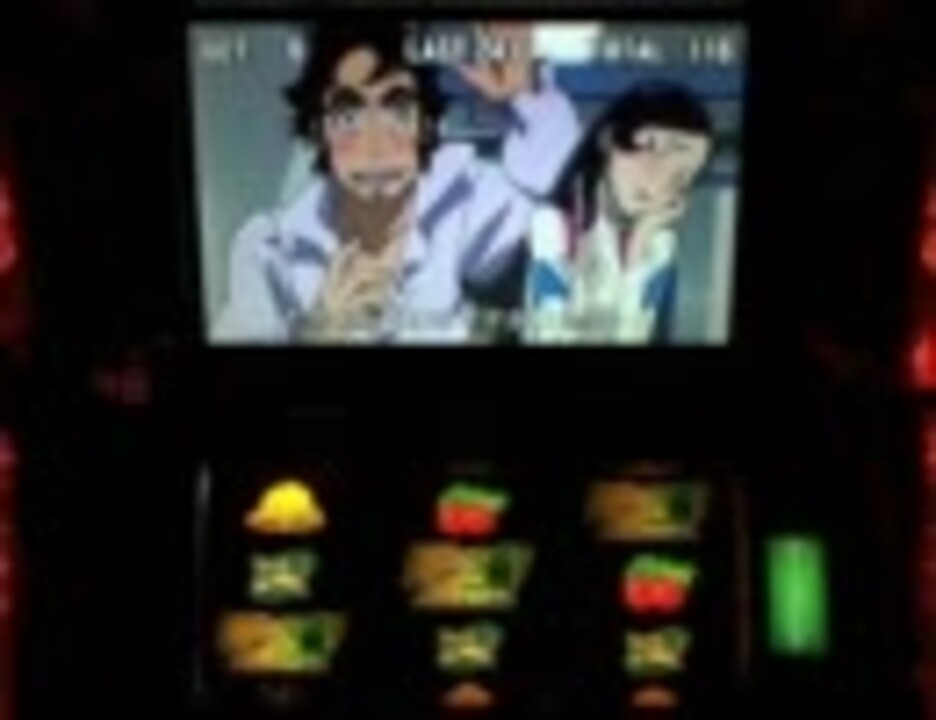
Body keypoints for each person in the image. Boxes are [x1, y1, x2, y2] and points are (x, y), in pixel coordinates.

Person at [212, 23, 581, 344]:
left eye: (398, 112)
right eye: (349, 117)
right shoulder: (268, 250)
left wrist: (528, 95)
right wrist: (320, 334)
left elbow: (556, 205)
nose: (375, 149)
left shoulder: (458, 198)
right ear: (318, 130)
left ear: (425, 126)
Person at [527, 81, 713, 344]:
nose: (659, 181)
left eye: (681, 175)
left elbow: (636, 336)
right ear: (609, 139)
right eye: (653, 151)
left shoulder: (659, 245)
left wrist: (637, 250)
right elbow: (554, 337)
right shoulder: (554, 226)